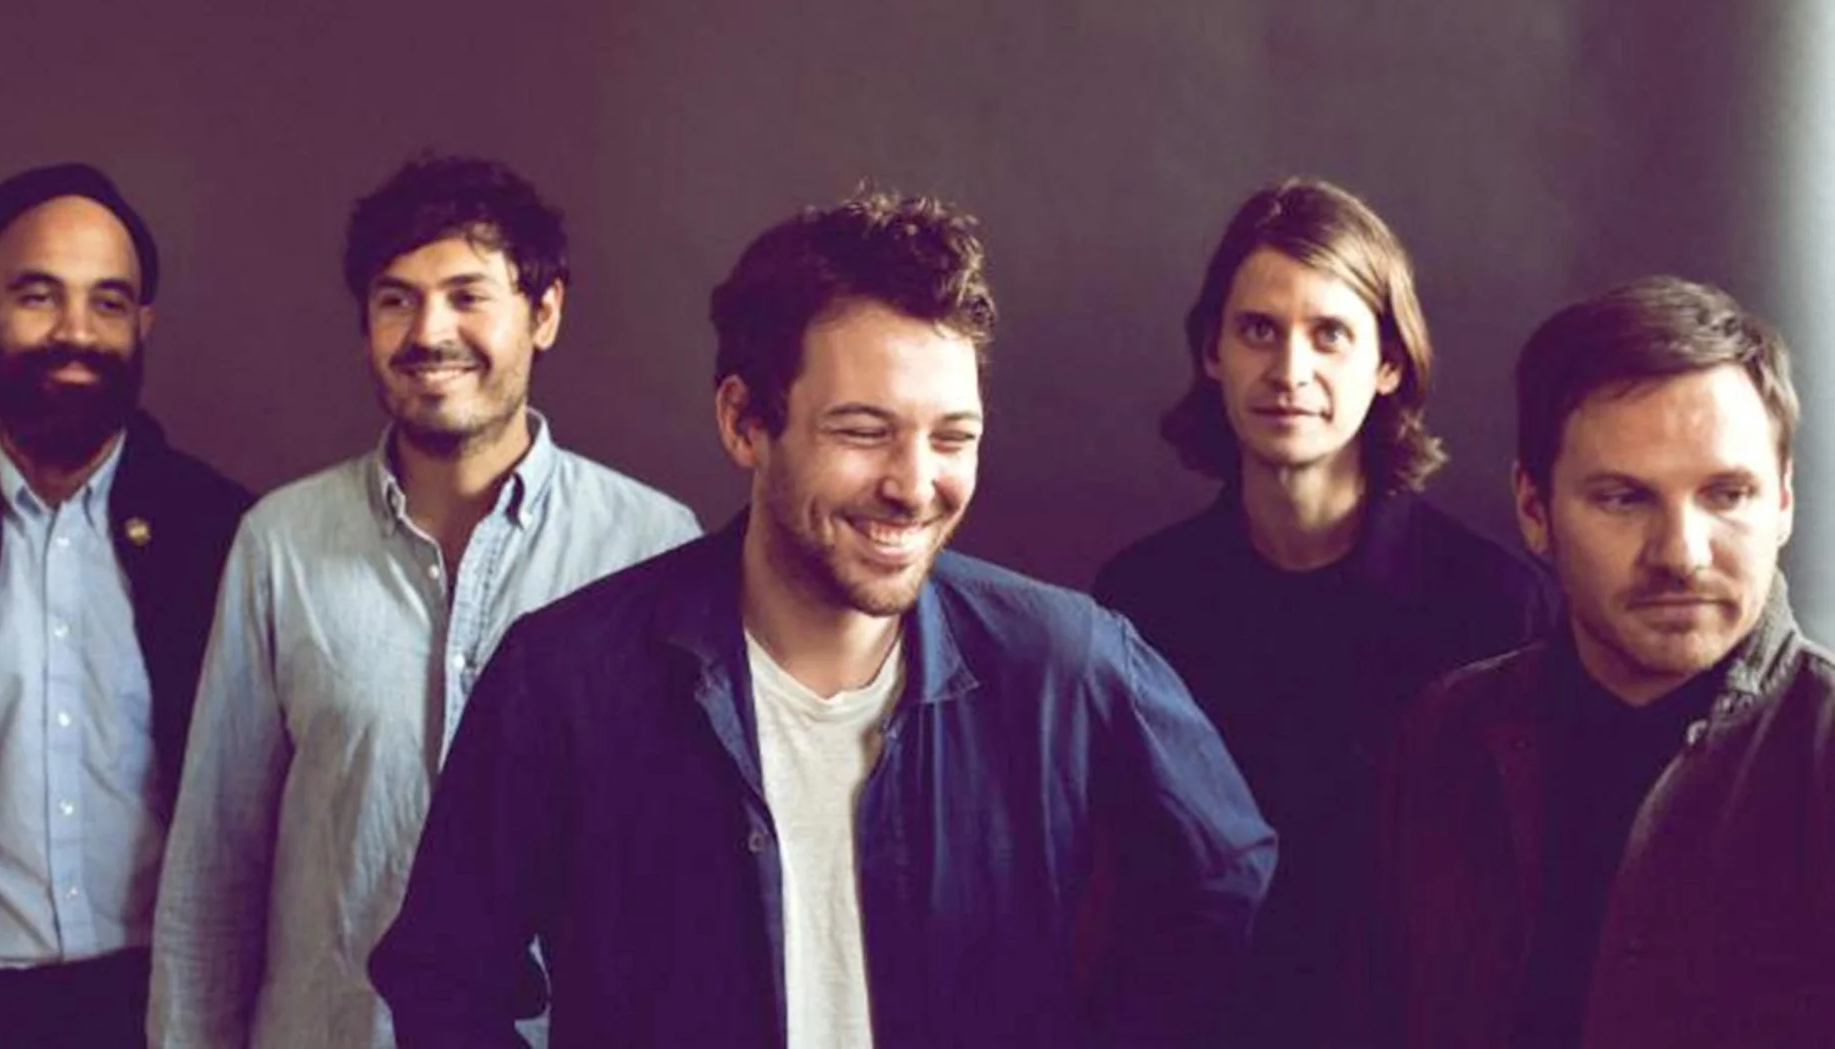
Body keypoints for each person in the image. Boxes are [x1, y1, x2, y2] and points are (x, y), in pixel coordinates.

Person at [371, 189, 1276, 1049]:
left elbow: (1224, 874)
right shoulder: (566, 678)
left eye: (952, 436)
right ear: (743, 422)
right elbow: (445, 975)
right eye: (863, 430)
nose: (915, 484)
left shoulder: (1066, 661)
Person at [147, 155, 701, 1049]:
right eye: (396, 298)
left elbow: (686, 876)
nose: (428, 330)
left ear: (545, 311)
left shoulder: (651, 547)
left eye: (468, 294)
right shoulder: (279, 543)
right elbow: (215, 864)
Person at [1092, 177, 1550, 1045]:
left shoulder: (1492, 602)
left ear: (1387, 363)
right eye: (1258, 329)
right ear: (1212, 352)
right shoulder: (1142, 598)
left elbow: (1516, 894)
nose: (1289, 371)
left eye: (1328, 334)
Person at [0, 164, 251, 1049]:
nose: (76, 332)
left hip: (176, 1009)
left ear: (143, 325)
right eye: (38, 296)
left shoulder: (228, 538)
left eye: (108, 303)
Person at [1364, 276, 1835, 1048]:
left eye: (1727, 494)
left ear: (1783, 502)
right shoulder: (1444, 735)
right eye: (1623, 497)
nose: (1681, 553)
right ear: (1533, 508)